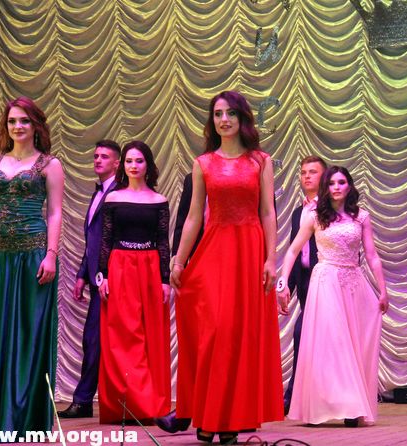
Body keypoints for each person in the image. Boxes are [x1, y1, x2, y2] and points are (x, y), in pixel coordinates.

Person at [169, 90, 283, 444]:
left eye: (231, 113)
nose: (224, 119)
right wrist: (179, 259)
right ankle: (207, 416)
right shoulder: (203, 163)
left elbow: (268, 212)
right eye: (218, 114)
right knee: (214, 334)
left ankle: (230, 422)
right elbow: (193, 217)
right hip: (214, 252)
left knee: (238, 339)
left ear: (242, 118)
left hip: (249, 252)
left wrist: (271, 258)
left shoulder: (261, 161)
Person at [0, 97, 64, 434]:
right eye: (12, 121)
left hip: (34, 257)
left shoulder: (49, 164)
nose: (17, 126)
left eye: (24, 121)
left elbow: (55, 213)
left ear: (36, 125)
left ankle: (23, 418)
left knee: (29, 335)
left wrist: (51, 254)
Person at [277, 166, 388, 427]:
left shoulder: (361, 217)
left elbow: (371, 255)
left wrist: (383, 290)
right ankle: (318, 406)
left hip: (353, 282)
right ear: (326, 188)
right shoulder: (314, 215)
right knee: (329, 344)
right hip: (325, 281)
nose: (336, 187)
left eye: (341, 182)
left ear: (349, 186)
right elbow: (292, 251)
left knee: (353, 343)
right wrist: (282, 283)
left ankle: (352, 406)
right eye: (332, 183)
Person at [96, 140, 171, 423]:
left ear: (148, 165)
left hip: (150, 268)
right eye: (129, 161)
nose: (134, 166)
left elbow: (163, 243)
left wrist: (165, 280)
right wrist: (102, 275)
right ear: (123, 165)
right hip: (120, 267)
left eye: (139, 161)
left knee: (151, 336)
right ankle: (125, 404)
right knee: (123, 336)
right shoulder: (113, 198)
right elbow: (105, 240)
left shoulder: (159, 200)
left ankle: (150, 404)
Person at [58, 140, 121, 418]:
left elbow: (114, 240)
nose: (97, 160)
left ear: (117, 163)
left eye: (104, 156)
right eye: (95, 155)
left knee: (96, 340)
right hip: (97, 279)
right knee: (92, 339)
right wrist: (82, 275)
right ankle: (85, 401)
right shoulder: (98, 193)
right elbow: (92, 241)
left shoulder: (120, 194)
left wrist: (105, 274)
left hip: (114, 279)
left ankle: (85, 401)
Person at [154, 171, 204, 433]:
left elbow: (265, 217)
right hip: (197, 265)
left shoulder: (253, 171)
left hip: (237, 262)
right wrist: (177, 261)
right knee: (194, 339)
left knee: (224, 340)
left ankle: (233, 413)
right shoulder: (194, 175)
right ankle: (186, 409)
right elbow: (184, 220)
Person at [283, 155, 327, 415]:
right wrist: (286, 286)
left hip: (325, 281)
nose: (307, 176)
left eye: (313, 172)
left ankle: (292, 396)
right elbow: (294, 250)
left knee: (303, 334)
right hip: (305, 282)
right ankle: (304, 397)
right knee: (306, 337)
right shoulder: (299, 213)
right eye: (303, 172)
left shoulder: (331, 209)